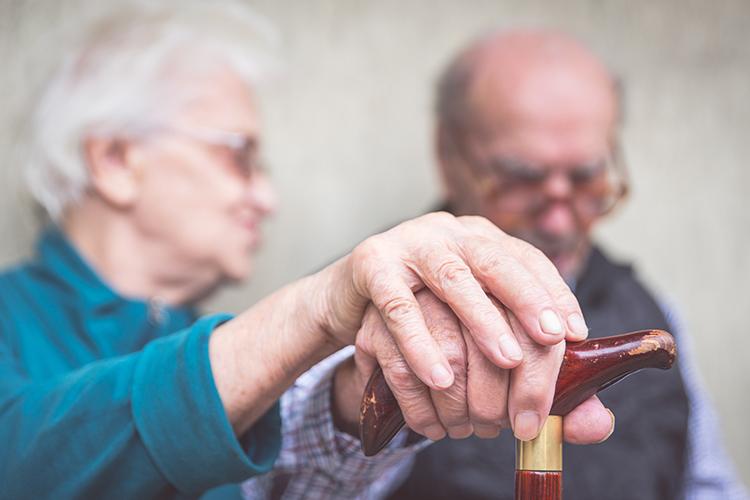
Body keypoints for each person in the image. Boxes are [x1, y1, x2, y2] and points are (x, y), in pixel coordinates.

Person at [0, 5, 615, 499]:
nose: (266, 197)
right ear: (113, 161)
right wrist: (316, 307)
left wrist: (368, 387)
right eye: (238, 156)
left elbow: (283, 477)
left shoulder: (208, 346)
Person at [388, 29, 747, 500]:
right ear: (448, 155)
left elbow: (708, 487)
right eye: (522, 178)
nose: (559, 222)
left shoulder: (652, 312)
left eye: (586, 178)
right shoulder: (378, 310)